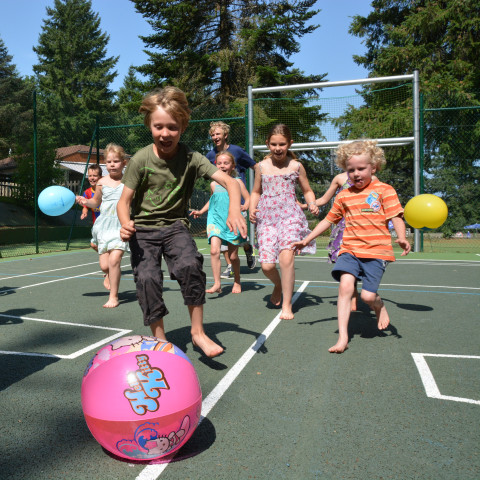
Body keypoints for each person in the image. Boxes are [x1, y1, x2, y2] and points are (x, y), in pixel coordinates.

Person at [116, 86, 247, 359]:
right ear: (149, 126)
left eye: (172, 127)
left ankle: (197, 333)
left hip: (176, 225)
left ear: (183, 126)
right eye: (158, 127)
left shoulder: (192, 158)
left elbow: (231, 183)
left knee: (190, 266)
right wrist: (125, 222)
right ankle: (160, 339)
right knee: (148, 278)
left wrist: (235, 210)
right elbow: (123, 201)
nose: (165, 133)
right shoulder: (140, 159)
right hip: (143, 230)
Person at [292, 140, 411, 353]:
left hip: (376, 251)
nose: (355, 174)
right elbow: (328, 221)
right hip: (350, 250)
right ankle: (343, 338)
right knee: (345, 287)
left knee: (367, 297)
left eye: (361, 169)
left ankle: (379, 305)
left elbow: (396, 216)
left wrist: (401, 237)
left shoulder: (385, 190)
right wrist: (307, 238)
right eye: (350, 170)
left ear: (373, 168)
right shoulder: (344, 195)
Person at [249, 124, 319, 320]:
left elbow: (307, 190)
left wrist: (311, 203)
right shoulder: (261, 166)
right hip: (267, 218)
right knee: (267, 266)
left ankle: (287, 305)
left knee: (286, 258)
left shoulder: (296, 166)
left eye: (282, 144)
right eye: (273, 144)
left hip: (290, 216)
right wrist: (252, 209)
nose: (277, 148)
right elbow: (256, 191)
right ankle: (278, 284)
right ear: (267, 144)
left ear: (289, 144)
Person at [300, 170, 377, 311]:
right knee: (346, 263)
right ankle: (352, 295)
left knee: (364, 262)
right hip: (344, 228)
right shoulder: (340, 178)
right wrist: (307, 205)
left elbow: (377, 201)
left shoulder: (372, 178)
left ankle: (369, 292)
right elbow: (324, 199)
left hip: (364, 227)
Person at [76, 143, 130, 308]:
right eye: (108, 162)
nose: (112, 164)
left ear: (124, 163)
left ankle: (113, 296)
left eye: (116, 161)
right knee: (105, 265)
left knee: (115, 260)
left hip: (120, 225)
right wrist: (86, 202)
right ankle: (108, 275)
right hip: (103, 226)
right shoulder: (101, 182)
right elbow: (96, 202)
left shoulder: (129, 181)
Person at [190, 151, 250, 294]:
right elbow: (212, 199)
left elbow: (248, 198)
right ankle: (217, 283)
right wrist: (201, 211)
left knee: (233, 256)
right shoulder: (213, 184)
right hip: (215, 219)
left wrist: (245, 206)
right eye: (219, 163)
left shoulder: (238, 182)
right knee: (214, 251)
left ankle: (237, 280)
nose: (222, 166)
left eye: (226, 163)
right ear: (215, 165)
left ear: (232, 165)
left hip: (231, 221)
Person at [207, 121, 257, 277]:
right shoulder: (210, 156)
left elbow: (254, 166)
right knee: (220, 236)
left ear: (225, 135)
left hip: (237, 202)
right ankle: (229, 265)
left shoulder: (237, 151)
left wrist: (256, 191)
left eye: (218, 134)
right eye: (213, 135)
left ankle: (248, 248)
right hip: (221, 204)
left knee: (240, 237)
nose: (215, 137)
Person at [80, 163, 102, 250]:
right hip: (96, 223)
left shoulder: (105, 189)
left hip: (107, 222)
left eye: (95, 176)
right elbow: (85, 206)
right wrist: (84, 213)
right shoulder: (87, 192)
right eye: (90, 176)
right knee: (94, 245)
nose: (92, 178)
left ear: (100, 177)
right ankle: (106, 259)